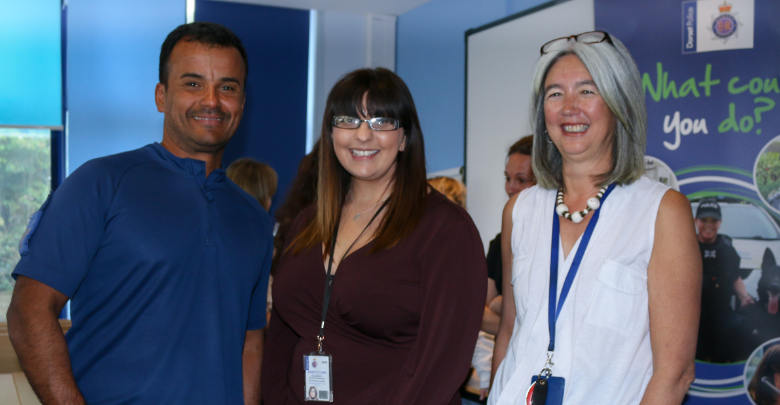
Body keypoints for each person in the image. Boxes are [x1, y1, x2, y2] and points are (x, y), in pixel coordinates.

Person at [6, 22, 273, 404]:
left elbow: (249, 341)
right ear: (161, 96)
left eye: (227, 87)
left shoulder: (254, 219)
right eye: (193, 84)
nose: (212, 101)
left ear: (242, 103)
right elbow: (28, 313)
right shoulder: (101, 183)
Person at [489, 31, 701, 404]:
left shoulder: (661, 212)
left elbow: (675, 373)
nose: (569, 107)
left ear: (620, 103)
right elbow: (508, 333)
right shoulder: (519, 211)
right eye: (555, 94)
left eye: (587, 91)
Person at [262, 67, 486, 404]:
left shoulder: (445, 228)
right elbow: (282, 334)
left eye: (381, 122)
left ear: (405, 138)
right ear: (331, 133)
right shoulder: (308, 222)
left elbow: (443, 362)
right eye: (348, 121)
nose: (363, 136)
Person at [483, 135, 534, 336]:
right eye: (507, 178)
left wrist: (500, 305)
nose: (510, 188)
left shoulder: (558, 243)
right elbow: (480, 312)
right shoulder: (499, 243)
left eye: (521, 180)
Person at [694, 197, 755, 362]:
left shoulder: (726, 248)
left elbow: (735, 277)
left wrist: (744, 297)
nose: (708, 224)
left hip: (720, 312)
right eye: (704, 220)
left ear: (719, 223)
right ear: (696, 221)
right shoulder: (687, 243)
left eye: (713, 220)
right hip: (691, 313)